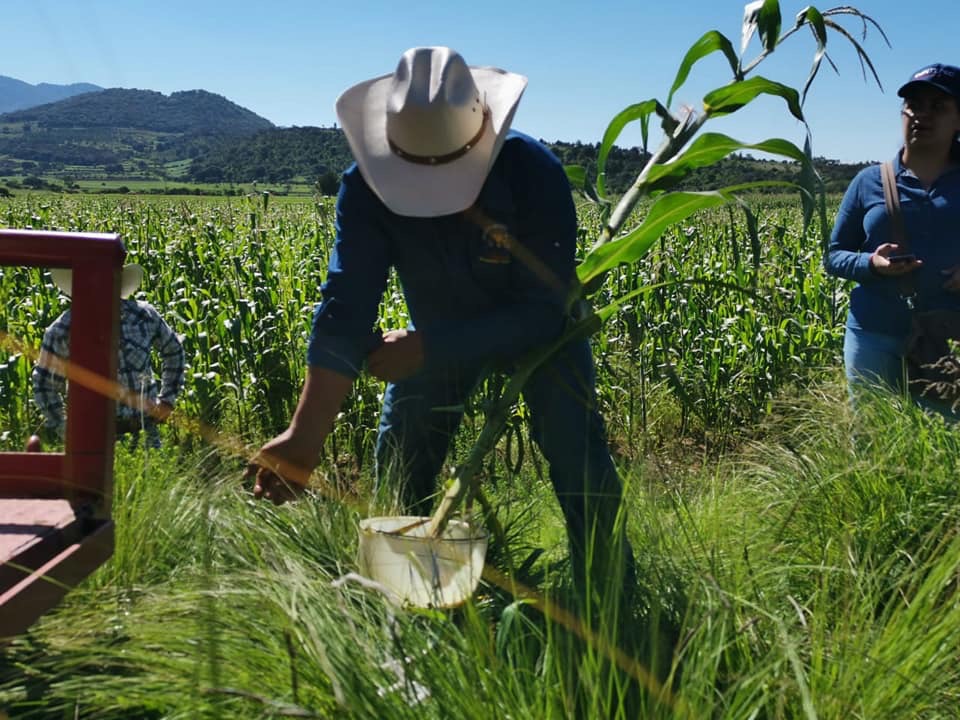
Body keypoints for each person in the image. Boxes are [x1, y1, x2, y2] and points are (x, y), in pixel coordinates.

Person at [247, 46, 633, 603]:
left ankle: (612, 600)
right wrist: (304, 438)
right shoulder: (365, 189)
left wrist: (432, 348)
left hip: (541, 333)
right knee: (403, 459)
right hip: (433, 332)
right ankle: (408, 600)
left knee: (578, 455)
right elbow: (346, 309)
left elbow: (544, 308)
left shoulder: (534, 174)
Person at [824, 63, 960, 413]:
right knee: (870, 439)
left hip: (949, 338)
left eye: (938, 106)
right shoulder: (868, 181)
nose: (921, 115)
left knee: (945, 443)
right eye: (913, 105)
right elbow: (834, 255)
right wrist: (872, 264)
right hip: (873, 333)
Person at [32, 263, 186, 448]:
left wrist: (167, 401)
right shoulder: (64, 329)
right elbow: (44, 384)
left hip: (145, 436)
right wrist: (66, 428)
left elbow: (173, 350)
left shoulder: (143, 315)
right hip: (92, 441)